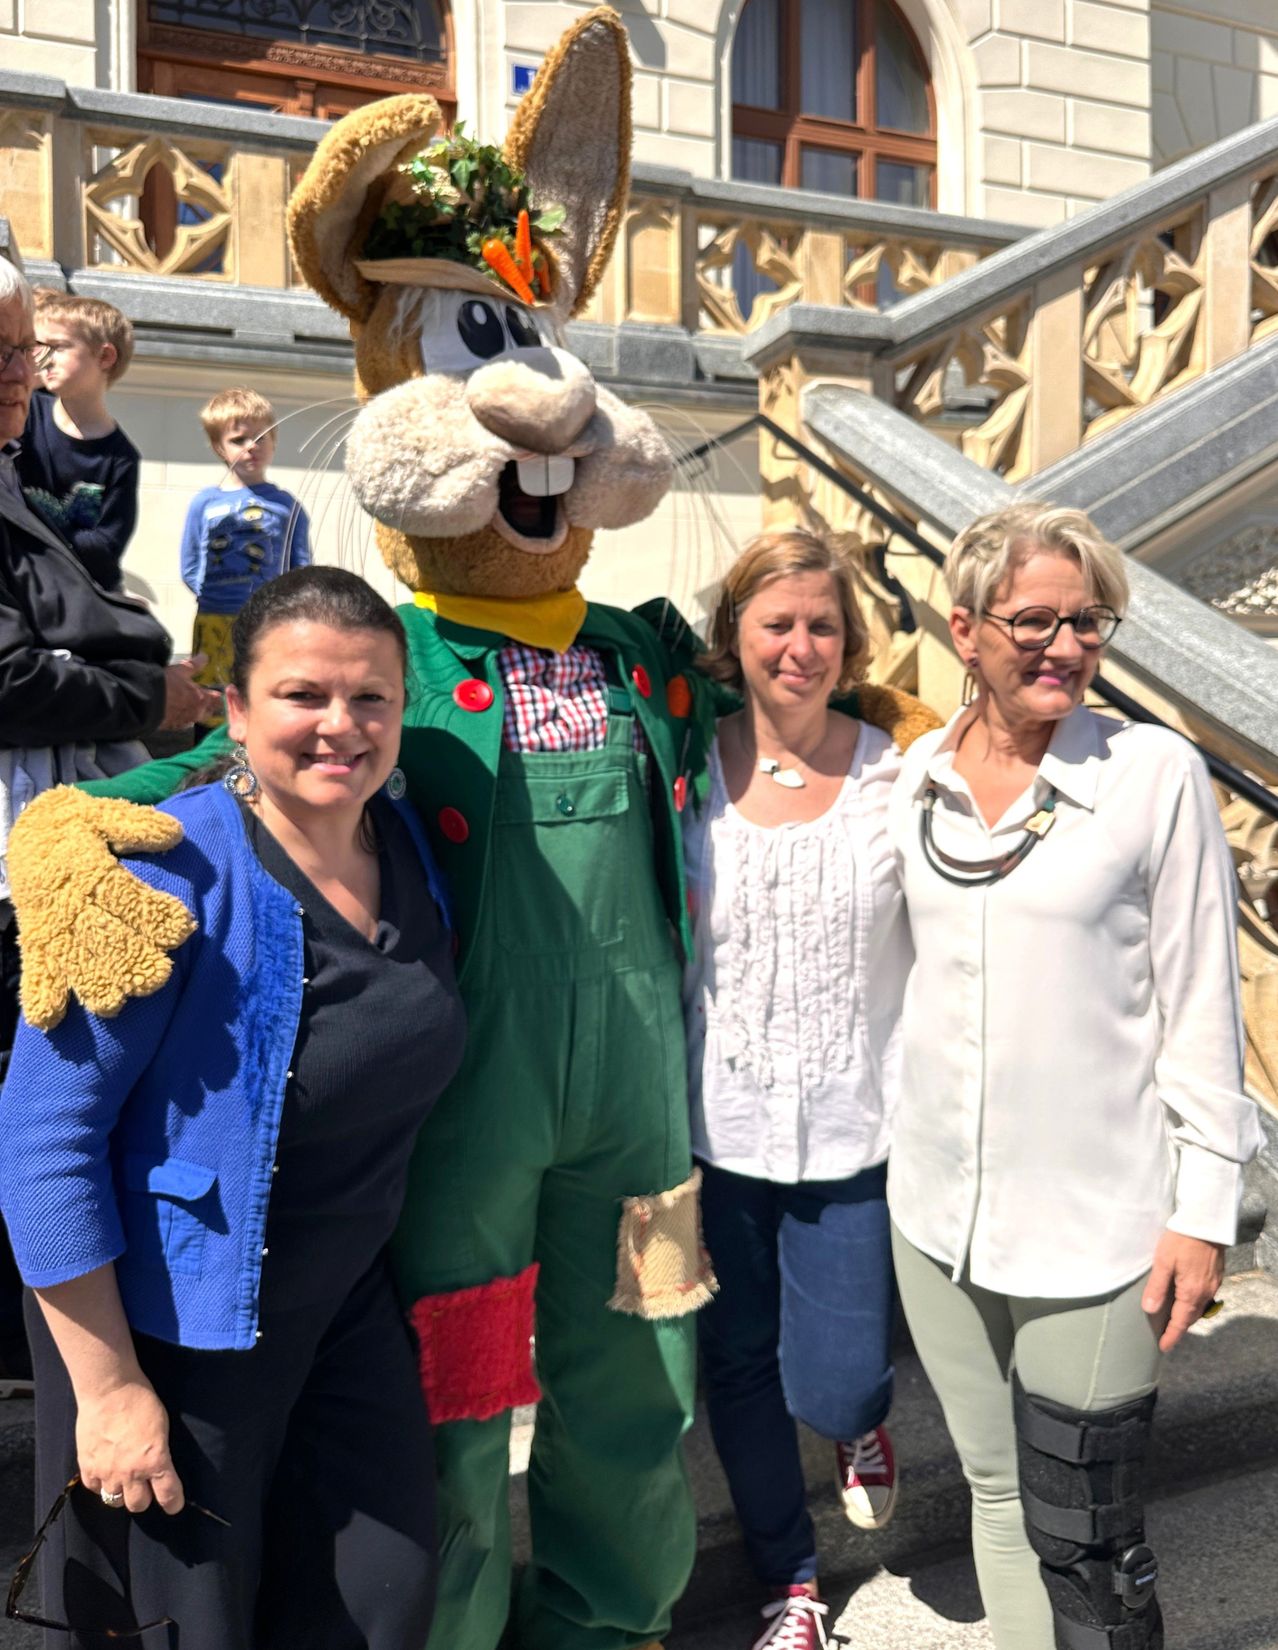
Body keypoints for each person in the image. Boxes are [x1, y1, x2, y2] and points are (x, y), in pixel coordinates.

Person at [0, 565, 466, 1649]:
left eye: (370, 699)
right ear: (238, 708)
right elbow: (40, 1144)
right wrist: (110, 1392)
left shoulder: (407, 846)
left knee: (377, 1601)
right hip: (173, 1332)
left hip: (343, 1306)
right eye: (304, 695)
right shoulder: (156, 880)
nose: (339, 727)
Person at [886, 502, 1262, 1650]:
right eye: (1034, 620)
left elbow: (1207, 1001)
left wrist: (1204, 1213)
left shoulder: (1151, 773)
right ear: (967, 630)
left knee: (1088, 1530)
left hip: (1099, 1225)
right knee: (996, 1497)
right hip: (937, 1217)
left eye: (1088, 622)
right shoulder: (913, 784)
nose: (1065, 646)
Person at [682, 529, 914, 1650]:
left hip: (853, 1134)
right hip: (714, 1135)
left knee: (841, 1375)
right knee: (732, 1363)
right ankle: (793, 1582)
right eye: (778, 623)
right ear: (735, 636)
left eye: (823, 625)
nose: (801, 646)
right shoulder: (683, 771)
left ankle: (857, 1426)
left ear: (848, 640)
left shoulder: (897, 775)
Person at [0, 254, 217, 1390]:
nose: (16, 380)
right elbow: (8, 677)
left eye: (22, 356)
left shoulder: (28, 461)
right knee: (53, 1121)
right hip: (23, 863)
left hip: (66, 817)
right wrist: (152, 694)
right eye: (2, 357)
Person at [181, 386, 311, 697]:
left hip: (267, 622)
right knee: (212, 703)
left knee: (262, 696)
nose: (251, 446)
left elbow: (300, 568)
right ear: (219, 447)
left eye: (260, 437)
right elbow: (190, 564)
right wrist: (217, 598)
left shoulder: (288, 507)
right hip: (213, 620)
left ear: (274, 441)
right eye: (238, 439)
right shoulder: (205, 503)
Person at [15, 290, 140, 590]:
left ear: (105, 356)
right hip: (18, 584)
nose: (42, 358)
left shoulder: (121, 458)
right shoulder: (23, 414)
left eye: (56, 347)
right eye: (37, 347)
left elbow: (106, 546)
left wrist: (32, 530)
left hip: (75, 595)